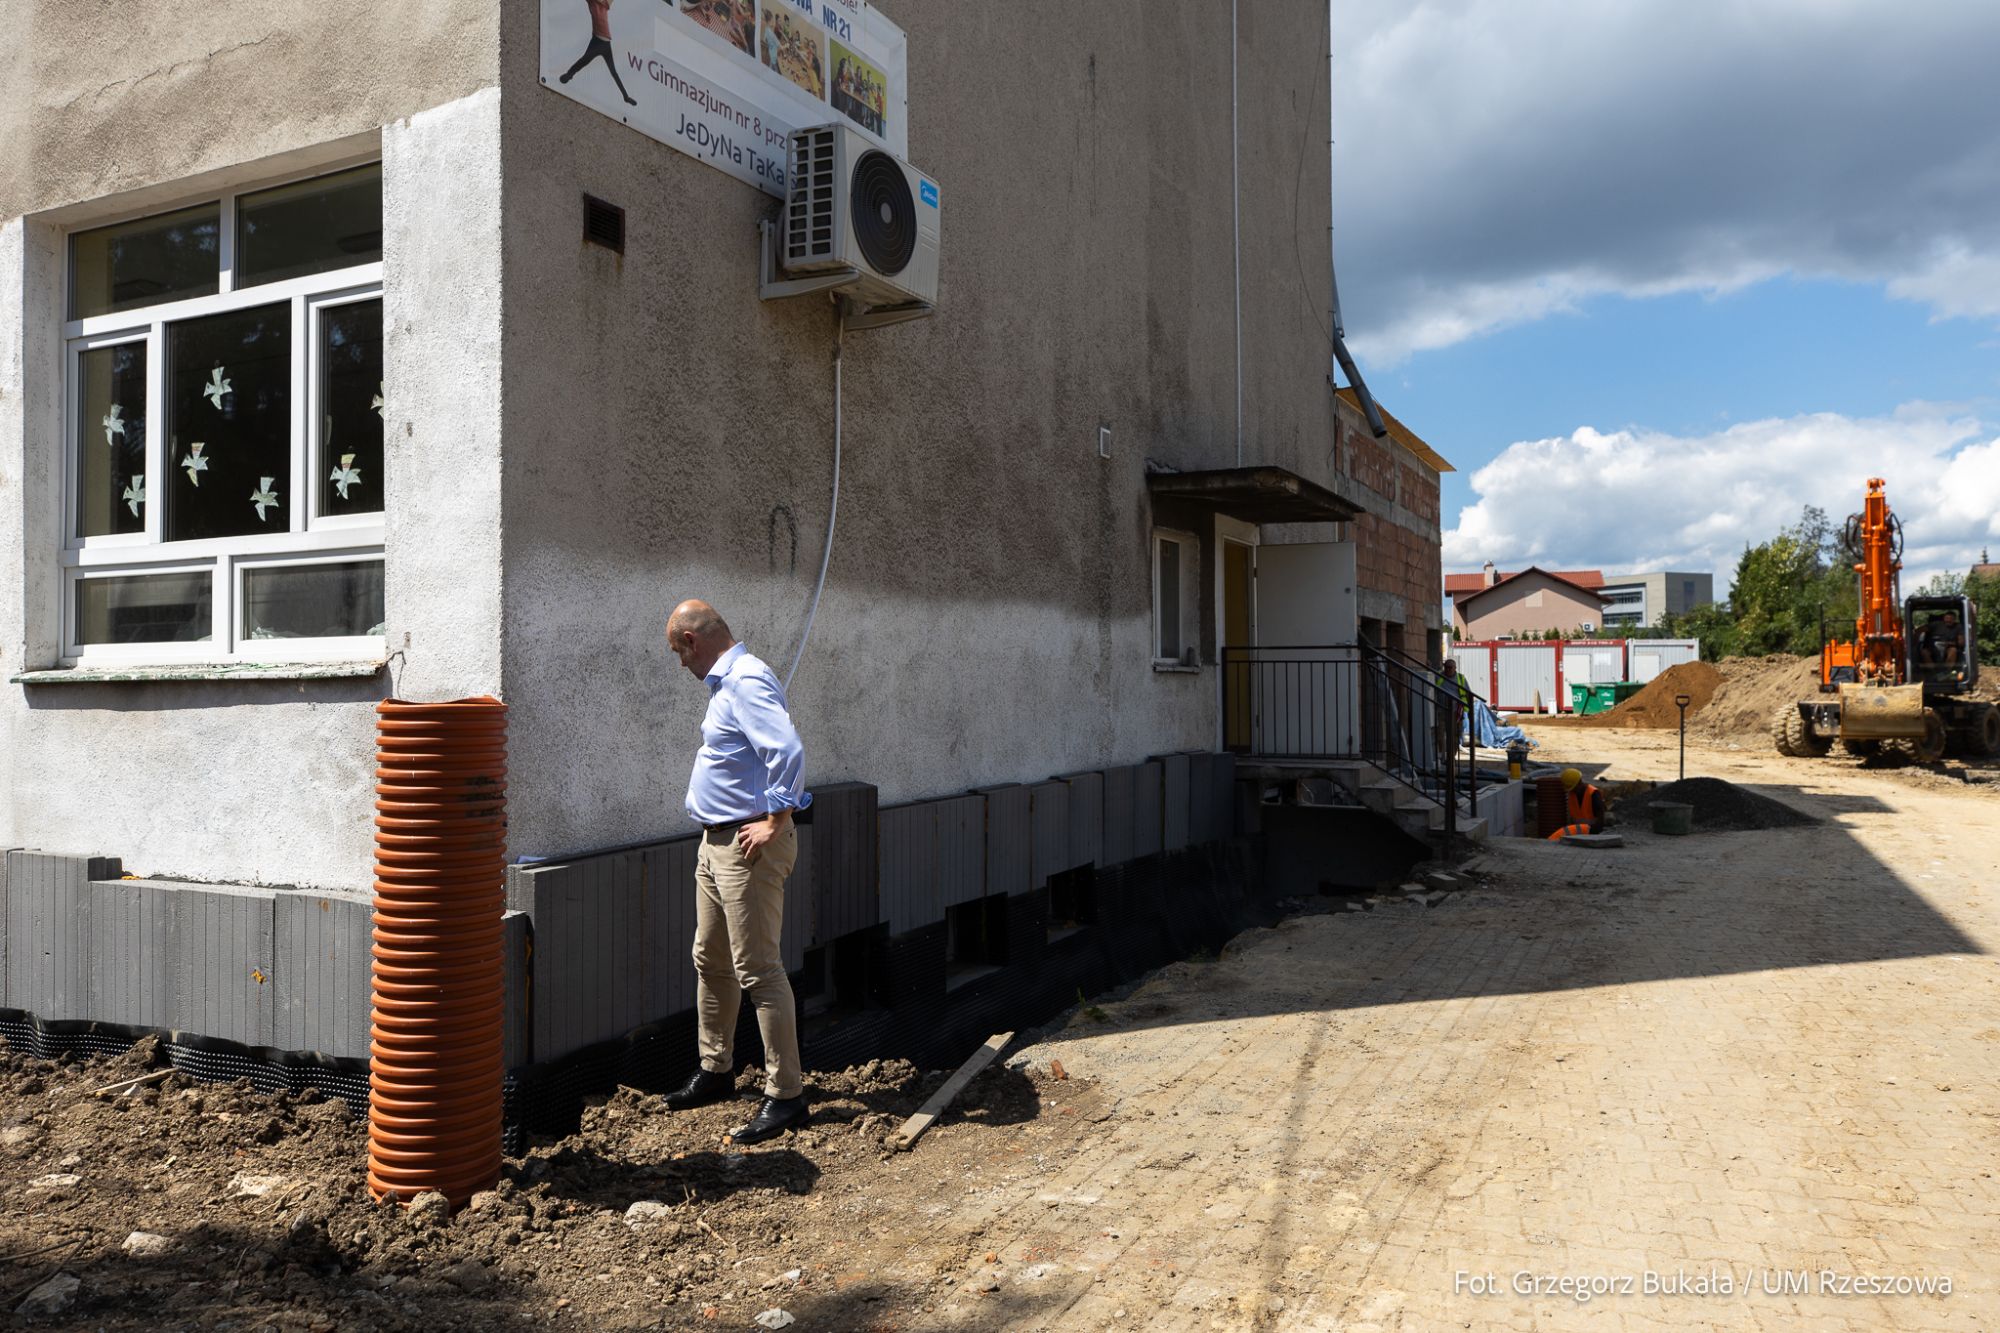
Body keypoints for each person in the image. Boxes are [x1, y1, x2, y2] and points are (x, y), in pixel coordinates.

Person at [660, 599, 812, 1145]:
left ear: (691, 640)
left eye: (679, 653)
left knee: (759, 970)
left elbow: (787, 750)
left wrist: (776, 817)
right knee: (711, 959)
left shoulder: (745, 680)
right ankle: (716, 1071)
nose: (681, 665)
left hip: (748, 846)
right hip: (716, 842)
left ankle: (786, 1095)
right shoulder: (726, 685)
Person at [557, 0, 639, 107]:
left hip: (606, 43)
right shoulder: (593, 2)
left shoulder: (605, 4)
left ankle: (625, 96)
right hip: (596, 40)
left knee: (613, 71)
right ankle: (569, 74)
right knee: (584, 60)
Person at [1547, 768, 1604, 841]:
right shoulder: (1572, 794)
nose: (1572, 791)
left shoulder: (1593, 794)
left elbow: (1600, 821)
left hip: (1592, 834)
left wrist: (1593, 835)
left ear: (1579, 782)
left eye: (1574, 788)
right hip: (1576, 835)